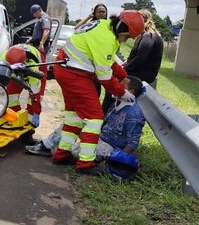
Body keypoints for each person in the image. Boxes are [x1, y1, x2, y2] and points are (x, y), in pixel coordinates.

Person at [51, 10, 145, 174]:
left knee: (74, 117)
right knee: (94, 118)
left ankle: (62, 154)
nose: (126, 40)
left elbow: (106, 61)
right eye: (128, 36)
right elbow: (104, 77)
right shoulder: (106, 38)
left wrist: (122, 76)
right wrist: (122, 92)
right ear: (123, 29)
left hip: (67, 69)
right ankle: (85, 164)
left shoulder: (104, 26)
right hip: (75, 73)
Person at [26, 76, 145, 159]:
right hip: (100, 139)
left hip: (109, 148)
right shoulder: (117, 104)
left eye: (122, 86)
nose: (118, 87)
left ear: (131, 91)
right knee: (73, 123)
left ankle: (63, 152)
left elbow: (132, 143)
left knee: (75, 152)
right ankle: (46, 146)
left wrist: (116, 161)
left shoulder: (133, 114)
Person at [102, 9, 163, 113]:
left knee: (113, 85)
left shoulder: (148, 36)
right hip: (142, 73)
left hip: (141, 75)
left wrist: (124, 68)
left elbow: (140, 59)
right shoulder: (147, 35)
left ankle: (105, 112)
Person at [1, 44, 45, 127]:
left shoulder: (34, 69)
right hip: (12, 67)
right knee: (11, 94)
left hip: (37, 66)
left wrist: (36, 112)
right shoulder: (3, 59)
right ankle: (13, 118)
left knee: (33, 97)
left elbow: (35, 94)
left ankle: (30, 125)